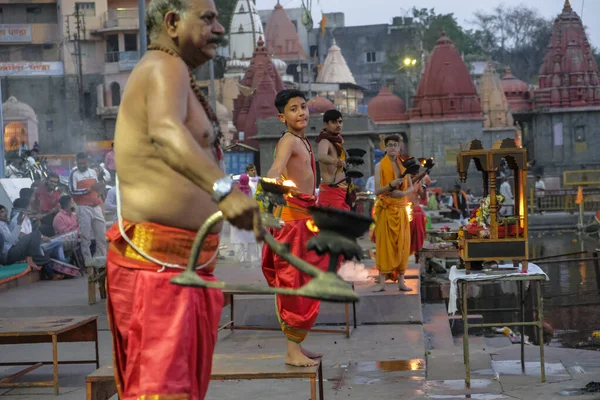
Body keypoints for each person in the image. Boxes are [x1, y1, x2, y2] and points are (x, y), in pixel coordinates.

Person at [104, 1, 261, 398]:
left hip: (182, 267)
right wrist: (224, 191)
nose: (220, 29)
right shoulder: (163, 66)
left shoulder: (177, 74)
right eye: (207, 18)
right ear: (172, 23)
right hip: (158, 269)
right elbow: (165, 131)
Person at [262, 89, 328, 367]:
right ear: (282, 116)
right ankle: (292, 352)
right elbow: (275, 170)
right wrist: (267, 197)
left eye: (303, 107)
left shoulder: (303, 140)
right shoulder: (288, 140)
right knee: (295, 284)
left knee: (308, 282)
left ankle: (298, 344)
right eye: (293, 109)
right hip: (292, 222)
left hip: (304, 218)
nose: (300, 112)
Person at [373, 135, 414, 292]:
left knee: (402, 245)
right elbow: (377, 190)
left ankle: (401, 281)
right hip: (387, 210)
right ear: (385, 148)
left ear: (399, 148)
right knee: (385, 245)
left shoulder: (404, 167)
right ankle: (382, 282)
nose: (392, 148)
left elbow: (410, 187)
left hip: (401, 209)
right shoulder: (379, 167)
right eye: (389, 145)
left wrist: (402, 194)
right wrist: (390, 186)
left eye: (395, 145)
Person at [69, 152, 107, 262]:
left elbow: (98, 189)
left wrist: (100, 188)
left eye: (84, 163)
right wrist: (89, 189)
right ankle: (88, 261)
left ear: (87, 162)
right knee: (85, 237)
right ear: (76, 162)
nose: (82, 165)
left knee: (101, 236)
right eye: (80, 163)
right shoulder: (74, 174)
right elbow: (72, 192)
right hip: (83, 208)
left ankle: (101, 260)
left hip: (96, 207)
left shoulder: (93, 172)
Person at [0, 205, 55, 278]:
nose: (6, 213)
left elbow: (15, 239)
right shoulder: (1, 225)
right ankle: (31, 259)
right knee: (36, 234)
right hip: (9, 254)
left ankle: (49, 272)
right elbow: (12, 240)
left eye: (5, 211)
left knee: (43, 252)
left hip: (12, 250)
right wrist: (19, 223)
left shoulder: (4, 224)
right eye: (2, 212)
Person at [316, 109, 352, 211]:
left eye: (340, 122)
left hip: (341, 193)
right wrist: (336, 161)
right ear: (326, 124)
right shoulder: (324, 140)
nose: (338, 125)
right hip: (331, 192)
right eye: (334, 122)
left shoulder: (338, 143)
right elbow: (321, 156)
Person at [230, 174, 260, 262]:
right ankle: (253, 258)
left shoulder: (235, 190)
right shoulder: (252, 189)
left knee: (238, 239)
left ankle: (241, 259)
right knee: (251, 239)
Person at [408, 171, 428, 263]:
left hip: (416, 211)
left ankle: (417, 259)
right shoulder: (402, 182)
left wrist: (424, 186)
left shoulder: (418, 183)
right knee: (407, 237)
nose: (414, 175)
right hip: (405, 212)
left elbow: (423, 197)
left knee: (418, 236)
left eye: (415, 173)